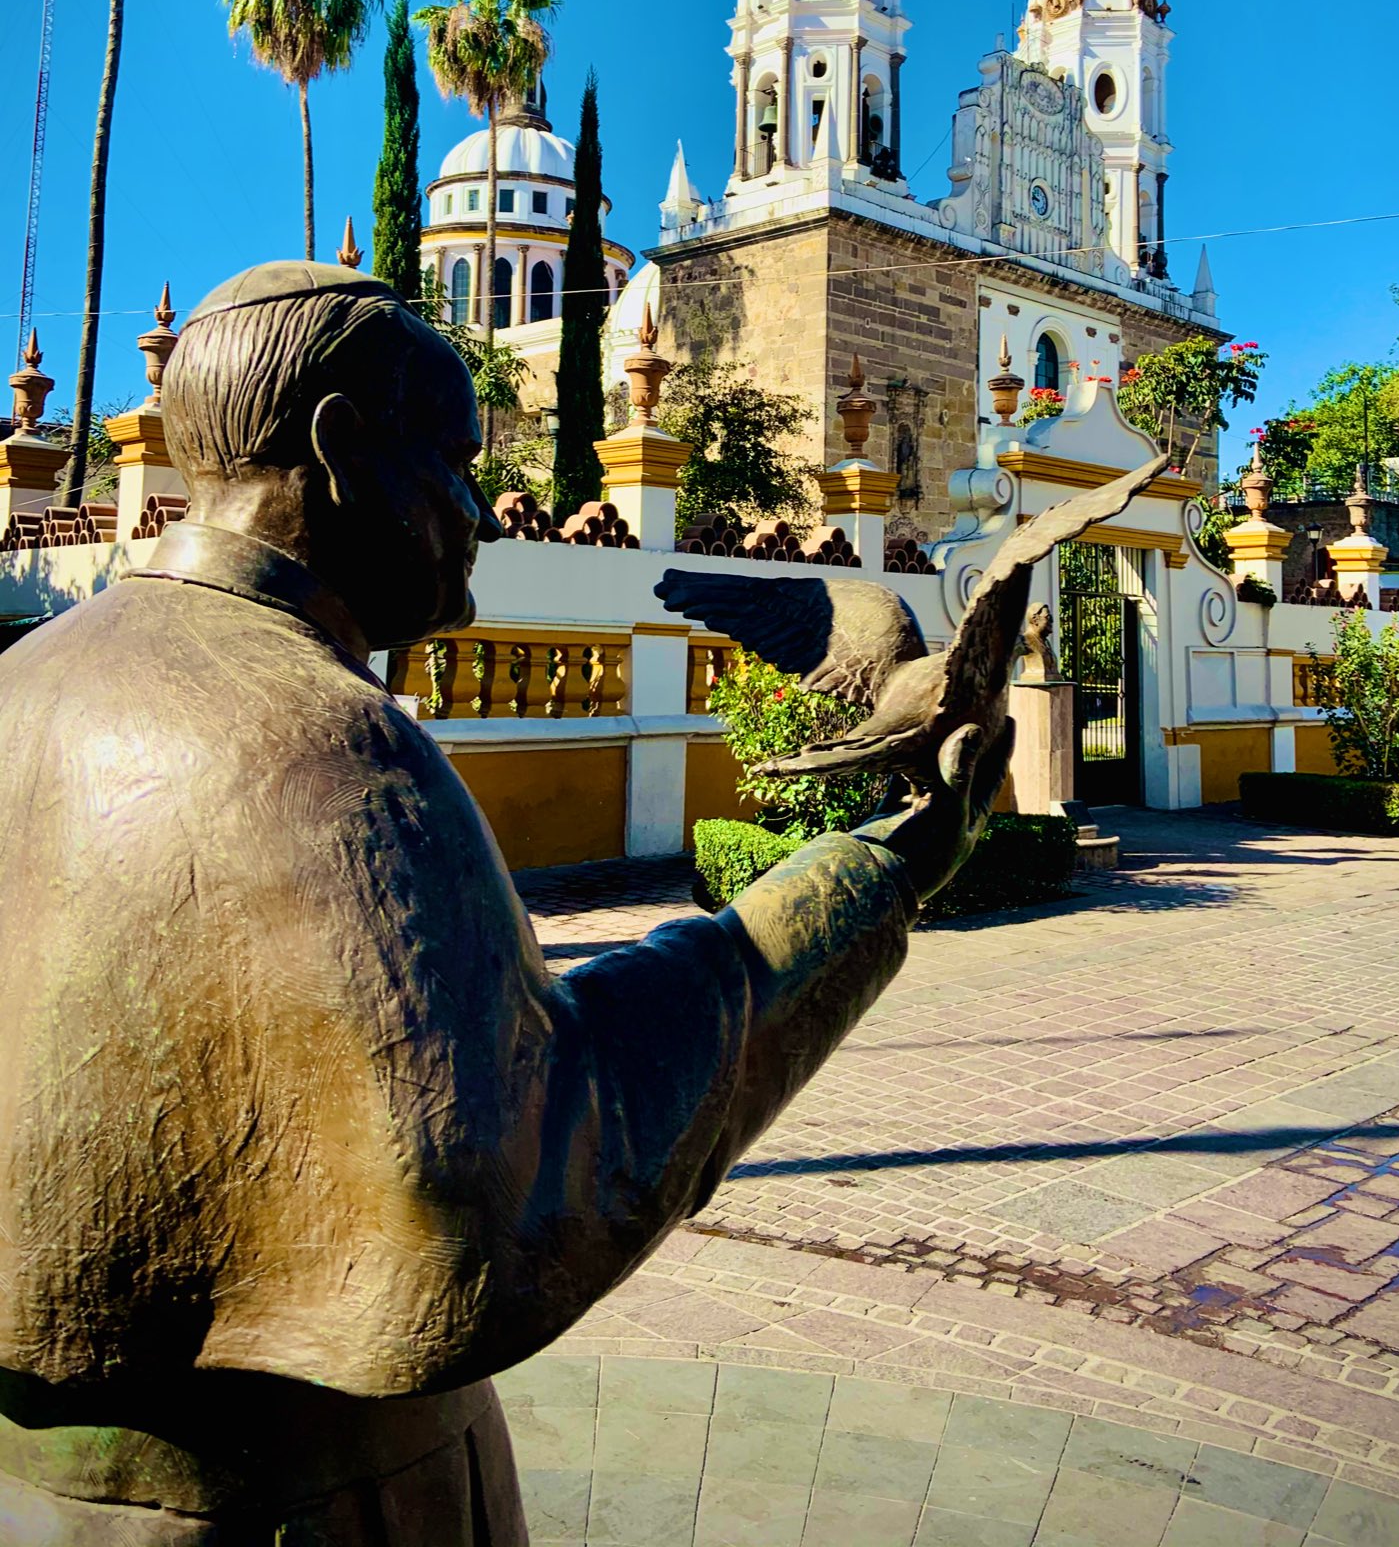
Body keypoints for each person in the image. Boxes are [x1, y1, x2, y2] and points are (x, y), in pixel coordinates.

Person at [0, 262, 1004, 1544]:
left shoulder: (24, 677)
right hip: (310, 1499)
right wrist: (881, 870)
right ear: (340, 449)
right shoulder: (331, 749)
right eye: (458, 466)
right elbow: (509, 1173)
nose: (481, 511)